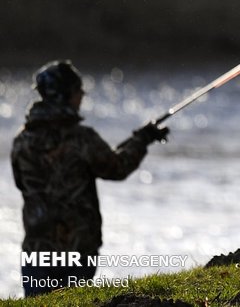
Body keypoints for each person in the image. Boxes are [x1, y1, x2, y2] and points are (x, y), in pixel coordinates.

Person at [11, 60, 169, 296]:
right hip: (77, 250)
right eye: (78, 90)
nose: (82, 95)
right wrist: (143, 139)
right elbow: (117, 168)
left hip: (37, 252)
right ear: (66, 95)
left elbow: (21, 183)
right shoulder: (81, 138)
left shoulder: (21, 141)